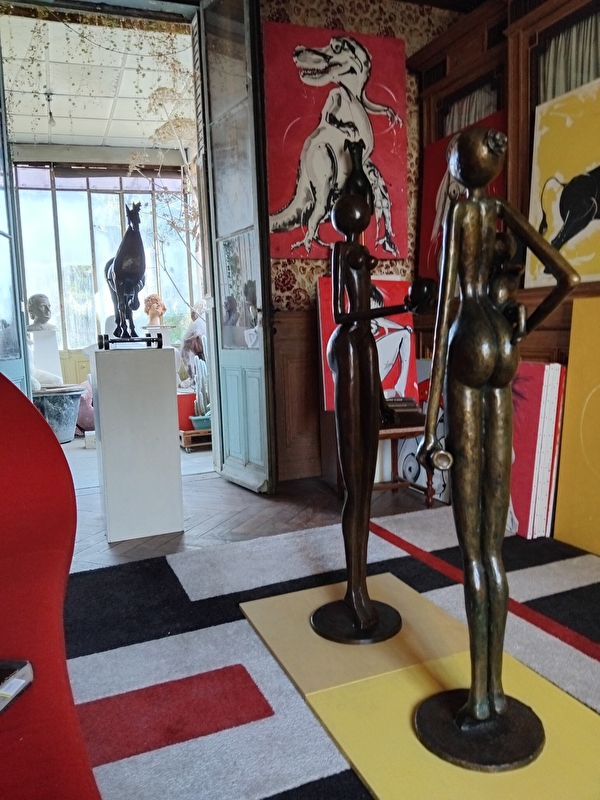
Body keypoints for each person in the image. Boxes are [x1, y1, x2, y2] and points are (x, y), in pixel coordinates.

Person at [418, 127, 579, 729]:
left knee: (472, 545)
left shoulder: (461, 212)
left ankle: (479, 698)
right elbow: (565, 277)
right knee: (496, 548)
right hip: (504, 348)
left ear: (460, 167)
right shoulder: (502, 211)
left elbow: (442, 316)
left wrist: (430, 424)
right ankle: (498, 690)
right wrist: (524, 326)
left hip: (467, 342)